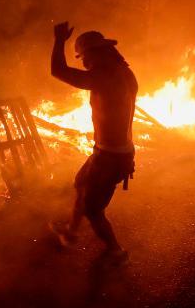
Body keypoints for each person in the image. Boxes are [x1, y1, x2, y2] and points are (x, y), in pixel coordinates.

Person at [48, 22, 138, 261]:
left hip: (111, 156)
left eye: (84, 57)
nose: (84, 63)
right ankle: (71, 232)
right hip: (110, 151)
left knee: (93, 210)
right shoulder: (125, 72)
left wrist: (59, 41)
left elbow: (58, 71)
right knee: (80, 183)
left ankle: (115, 251)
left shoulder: (105, 76)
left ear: (97, 53)